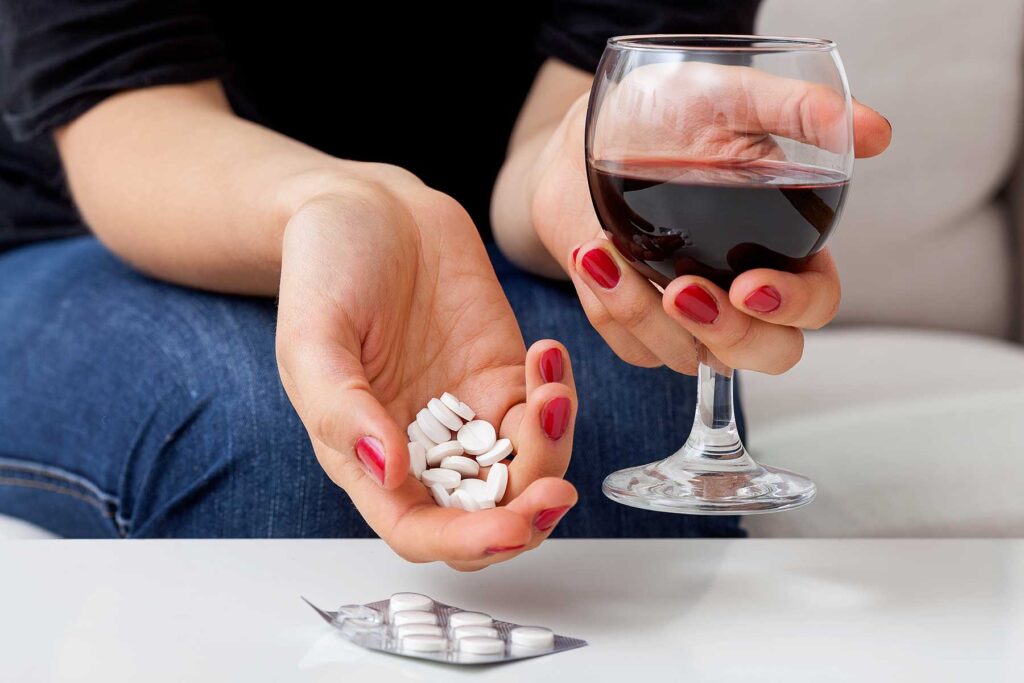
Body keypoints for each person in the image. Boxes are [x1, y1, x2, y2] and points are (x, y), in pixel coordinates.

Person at [0, 1, 890, 569]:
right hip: (116, 227)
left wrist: (572, 172)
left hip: (470, 259)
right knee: (281, 449)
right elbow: (129, 118)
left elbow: (572, 119)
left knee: (606, 433)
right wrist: (342, 201)